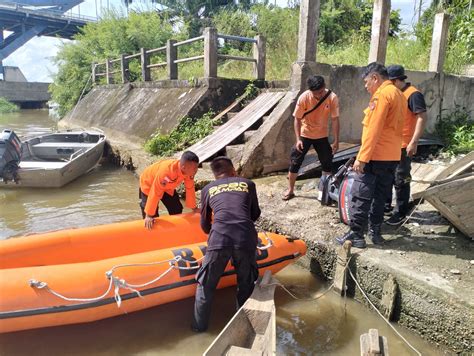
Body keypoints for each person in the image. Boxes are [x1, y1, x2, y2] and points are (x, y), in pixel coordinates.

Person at [335, 62, 406, 248]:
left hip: (375, 156)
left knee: (361, 195)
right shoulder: (399, 94)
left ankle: (356, 234)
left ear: (375, 78)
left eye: (367, 82)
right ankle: (376, 233)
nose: (366, 86)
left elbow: (373, 130)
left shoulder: (381, 95)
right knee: (381, 196)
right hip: (391, 156)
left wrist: (362, 158)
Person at [192, 156, 261, 332]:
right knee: (245, 285)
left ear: (215, 175)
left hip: (219, 239)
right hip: (244, 238)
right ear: (233, 171)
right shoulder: (248, 184)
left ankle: (199, 331)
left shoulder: (207, 189)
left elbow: (205, 224)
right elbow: (254, 214)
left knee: (205, 287)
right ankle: (242, 329)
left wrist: (214, 232)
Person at [283, 75, 340, 200]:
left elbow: (335, 120)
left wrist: (336, 140)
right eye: (315, 94)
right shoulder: (304, 97)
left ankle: (325, 191)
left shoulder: (332, 97)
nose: (318, 96)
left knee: (327, 163)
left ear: (324, 87)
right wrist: (298, 140)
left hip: (322, 136)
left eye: (320, 92)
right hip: (305, 134)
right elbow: (297, 119)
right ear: (310, 91)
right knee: (295, 162)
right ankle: (290, 190)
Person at [385, 65, 428, 225]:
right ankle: (386, 206)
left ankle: (401, 212)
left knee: (401, 178)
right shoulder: (396, 93)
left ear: (396, 80)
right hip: (392, 143)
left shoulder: (413, 94)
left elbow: (422, 117)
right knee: (388, 176)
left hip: (404, 144)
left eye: (389, 82)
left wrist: (413, 142)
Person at [139, 151, 199, 230]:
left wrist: (194, 208)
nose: (196, 170)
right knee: (152, 218)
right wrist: (149, 215)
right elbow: (156, 191)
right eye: (194, 168)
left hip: (168, 187)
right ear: (184, 167)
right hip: (149, 185)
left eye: (197, 167)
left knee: (176, 208)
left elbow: (190, 188)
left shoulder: (189, 172)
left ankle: (175, 230)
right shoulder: (166, 172)